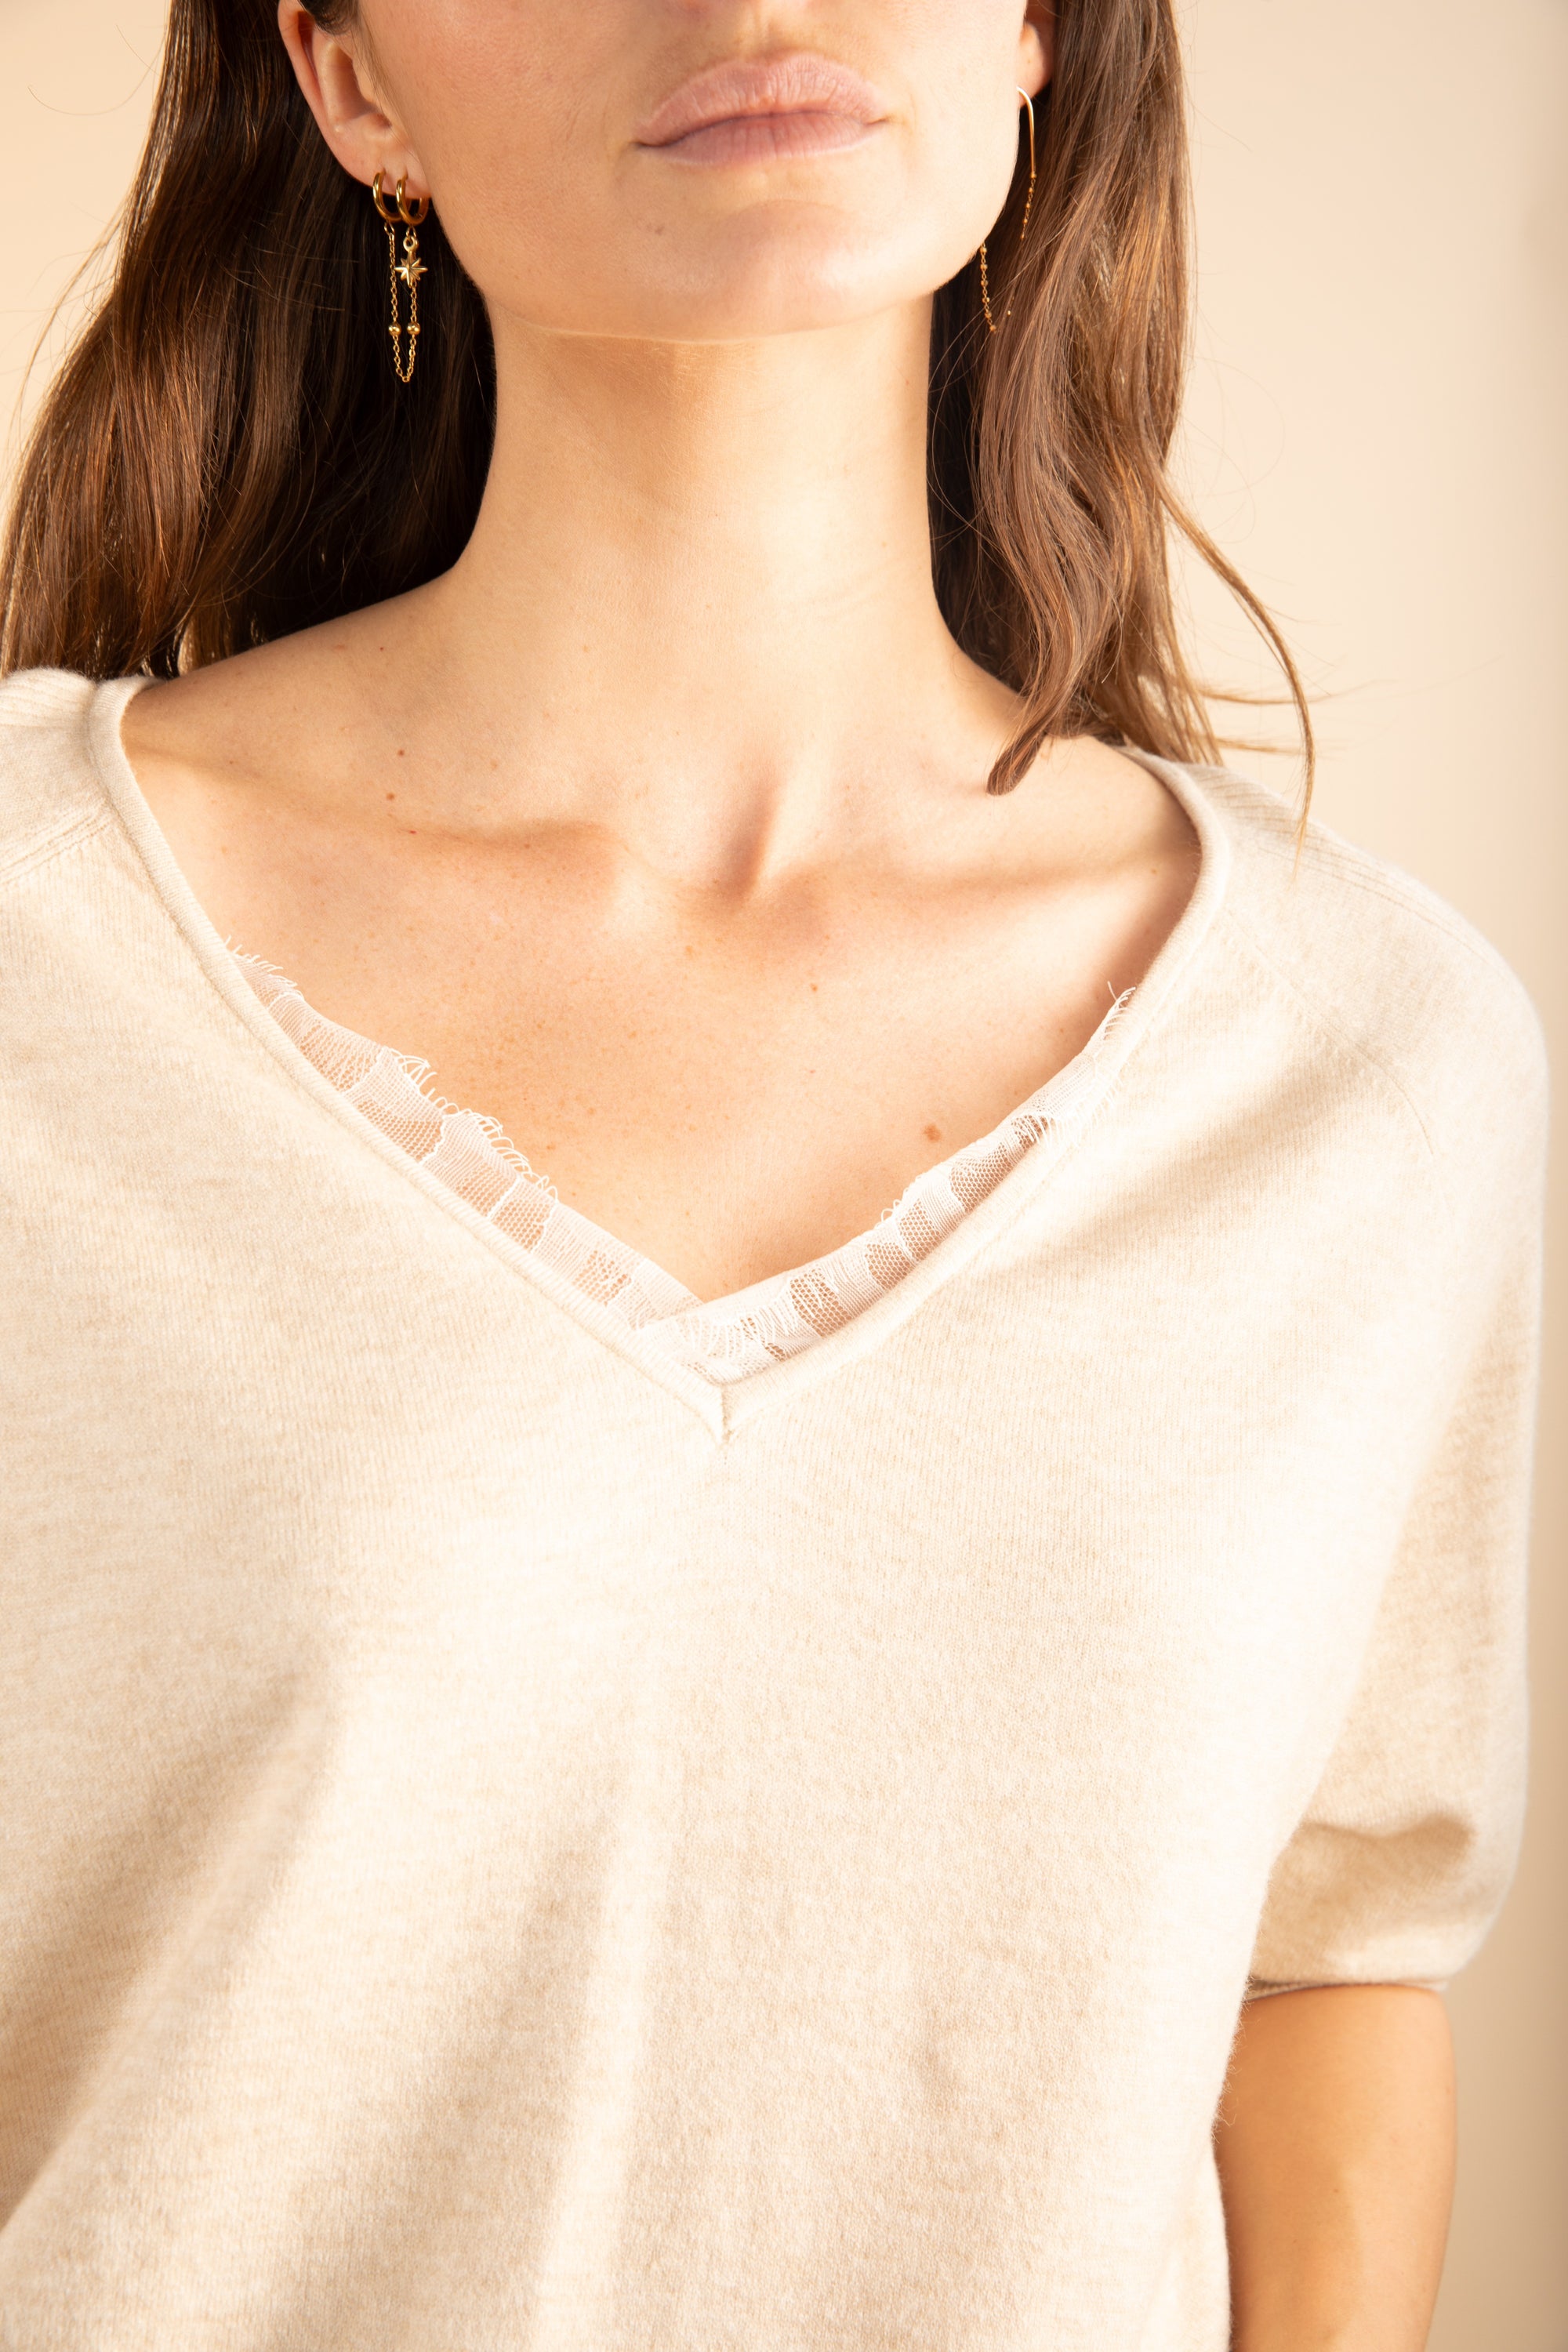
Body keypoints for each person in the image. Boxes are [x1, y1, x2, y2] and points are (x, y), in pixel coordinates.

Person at [0, 2, 1546, 2346]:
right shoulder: (39, 955)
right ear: (349, 80)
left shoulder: (1369, 1067)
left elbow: (1322, 1960)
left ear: (1034, 25)